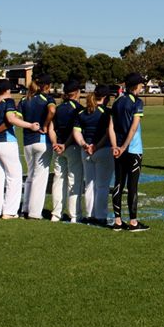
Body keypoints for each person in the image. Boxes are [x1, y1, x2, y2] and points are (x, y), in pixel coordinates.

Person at [0, 80, 39, 219]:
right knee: (14, 177)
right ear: (7, 90)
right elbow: (10, 119)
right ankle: (9, 211)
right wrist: (30, 125)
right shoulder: (8, 102)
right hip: (6, 142)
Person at [110, 73, 148, 231]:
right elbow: (133, 128)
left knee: (118, 182)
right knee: (133, 186)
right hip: (132, 148)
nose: (142, 87)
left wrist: (115, 146)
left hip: (118, 149)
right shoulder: (137, 102)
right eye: (141, 84)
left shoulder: (117, 101)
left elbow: (110, 126)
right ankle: (133, 221)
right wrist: (125, 146)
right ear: (135, 86)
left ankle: (117, 221)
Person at [74, 85, 114, 225]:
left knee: (89, 185)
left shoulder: (82, 113)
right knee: (102, 185)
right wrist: (96, 146)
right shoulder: (107, 112)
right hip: (102, 150)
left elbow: (77, 132)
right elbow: (108, 133)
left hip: (85, 151)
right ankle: (100, 216)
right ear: (105, 97)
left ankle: (90, 214)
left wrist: (84, 145)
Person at [19, 75, 57, 220]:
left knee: (30, 175)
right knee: (40, 178)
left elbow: (17, 118)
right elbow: (52, 111)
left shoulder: (24, 99)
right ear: (47, 86)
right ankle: (35, 213)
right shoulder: (47, 98)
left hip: (27, 141)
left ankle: (25, 209)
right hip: (41, 140)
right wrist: (46, 125)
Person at [49, 80, 84, 222]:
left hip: (58, 148)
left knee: (58, 180)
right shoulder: (79, 109)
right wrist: (65, 144)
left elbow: (51, 128)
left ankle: (56, 214)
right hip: (72, 147)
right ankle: (74, 215)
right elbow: (75, 130)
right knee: (74, 181)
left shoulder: (58, 108)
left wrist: (55, 143)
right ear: (77, 93)